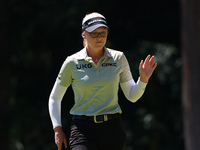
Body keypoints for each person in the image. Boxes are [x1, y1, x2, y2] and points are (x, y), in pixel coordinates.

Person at [48, 12, 157, 150]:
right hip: (82, 129)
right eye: (94, 33)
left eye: (103, 33)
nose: (99, 37)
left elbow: (132, 96)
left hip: (112, 129)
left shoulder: (119, 58)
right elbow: (55, 97)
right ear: (84, 34)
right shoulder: (72, 62)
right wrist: (57, 129)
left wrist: (143, 79)